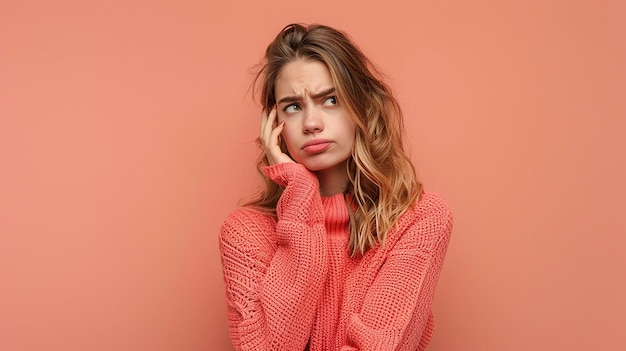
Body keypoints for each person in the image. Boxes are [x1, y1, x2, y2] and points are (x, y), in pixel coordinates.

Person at [218, 23, 453, 351]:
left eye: (330, 99)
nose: (311, 123)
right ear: (274, 124)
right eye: (293, 106)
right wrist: (299, 191)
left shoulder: (418, 219)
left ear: (362, 107)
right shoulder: (245, 233)